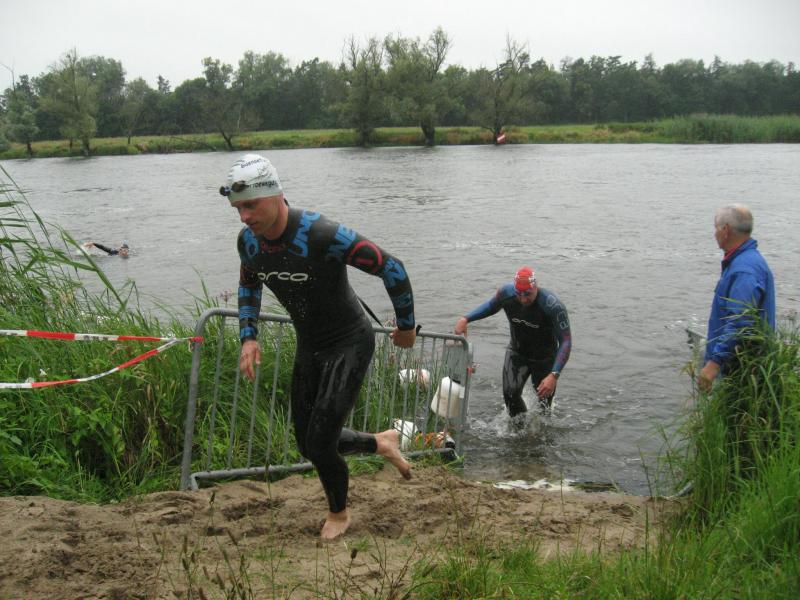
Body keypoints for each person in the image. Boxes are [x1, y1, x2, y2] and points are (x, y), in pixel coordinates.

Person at [220, 154, 417, 540]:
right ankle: (381, 442)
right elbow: (248, 284)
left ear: (276, 195)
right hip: (310, 345)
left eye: (251, 206)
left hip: (350, 342)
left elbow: (391, 267)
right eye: (237, 208)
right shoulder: (249, 244)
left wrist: (407, 327)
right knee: (307, 443)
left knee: (322, 442)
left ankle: (339, 513)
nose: (244, 217)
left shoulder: (321, 234)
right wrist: (249, 336)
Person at [454, 266, 571, 416]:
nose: (523, 299)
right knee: (510, 395)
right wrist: (466, 319)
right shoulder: (506, 293)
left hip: (545, 358)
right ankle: (519, 428)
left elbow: (566, 341)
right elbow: (490, 306)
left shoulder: (552, 305)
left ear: (536, 287)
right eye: (519, 294)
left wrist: (554, 375)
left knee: (544, 405)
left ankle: (539, 427)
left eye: (527, 294)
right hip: (517, 353)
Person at [698, 204, 775, 392]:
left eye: (716, 228)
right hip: (744, 365)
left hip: (739, 370)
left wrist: (714, 363)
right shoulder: (746, 260)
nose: (714, 233)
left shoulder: (743, 270)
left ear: (725, 230)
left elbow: (741, 322)